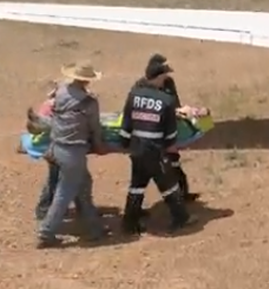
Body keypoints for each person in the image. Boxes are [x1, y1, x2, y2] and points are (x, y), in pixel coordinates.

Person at [35, 61, 115, 248]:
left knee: (84, 184)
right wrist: (100, 146)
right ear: (87, 81)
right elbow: (95, 128)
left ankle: (94, 227)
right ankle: (46, 232)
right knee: (65, 193)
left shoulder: (61, 92)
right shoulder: (88, 102)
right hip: (73, 152)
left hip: (55, 146)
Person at [119, 61, 197, 236]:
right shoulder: (166, 101)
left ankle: (129, 223)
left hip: (137, 148)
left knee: (137, 185)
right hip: (154, 150)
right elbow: (170, 133)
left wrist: (125, 143)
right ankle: (181, 218)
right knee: (168, 184)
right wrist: (170, 148)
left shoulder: (134, 94)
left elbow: (126, 123)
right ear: (159, 76)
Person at [145, 53, 199, 203]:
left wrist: (182, 113)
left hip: (169, 130)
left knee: (174, 164)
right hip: (153, 134)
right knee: (150, 174)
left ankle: (183, 194)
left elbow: (175, 103)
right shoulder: (142, 87)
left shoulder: (168, 83)